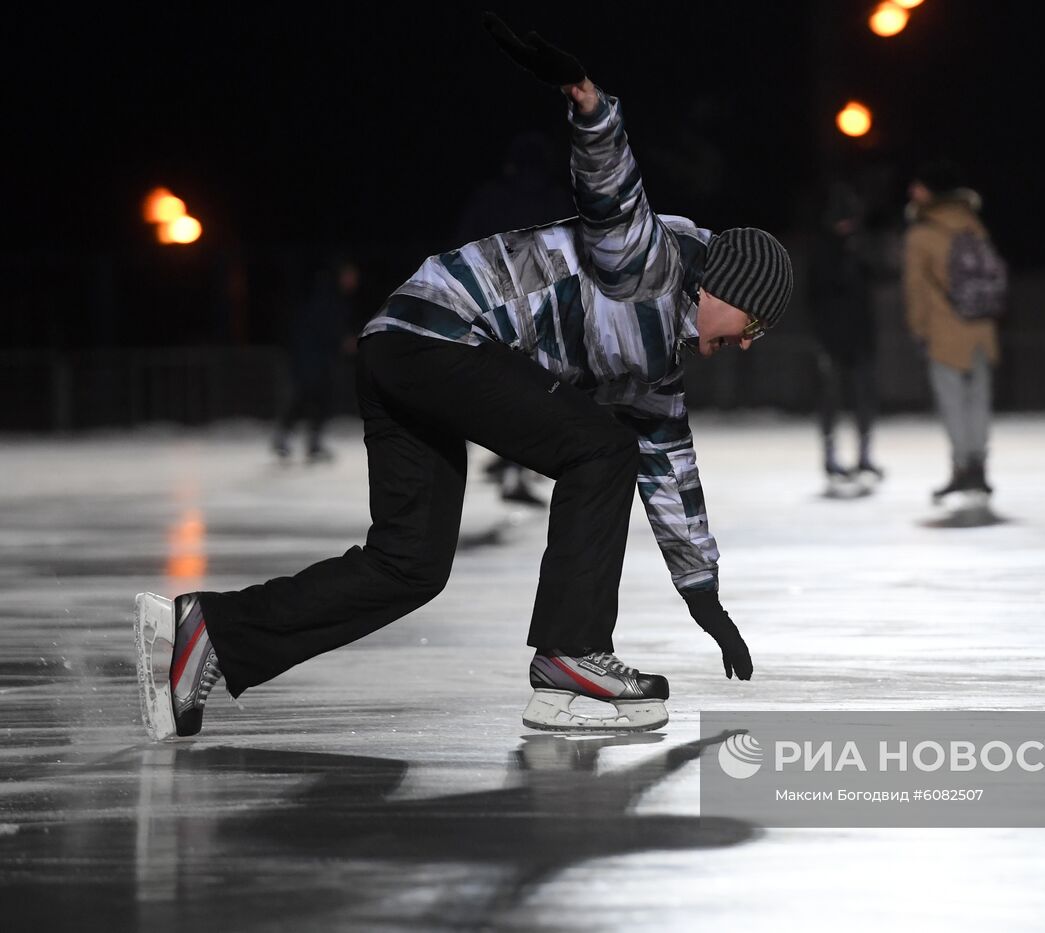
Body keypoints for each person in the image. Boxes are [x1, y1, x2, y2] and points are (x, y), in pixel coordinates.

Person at [134, 15, 793, 740]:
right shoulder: (650, 261)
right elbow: (612, 193)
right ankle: (570, 658)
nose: (744, 346)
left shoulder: (658, 361)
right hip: (441, 336)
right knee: (602, 449)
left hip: (402, 347)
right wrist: (589, 102)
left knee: (410, 563)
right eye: (751, 329)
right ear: (730, 289)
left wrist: (704, 598)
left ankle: (211, 635)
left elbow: (670, 466)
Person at [456, 131, 579, 507]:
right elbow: (574, 250)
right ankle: (513, 464)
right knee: (534, 390)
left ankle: (510, 462)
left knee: (503, 389)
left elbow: (461, 246)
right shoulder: (554, 198)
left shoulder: (491, 198)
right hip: (541, 309)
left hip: (493, 306)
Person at [903, 159, 1004, 503]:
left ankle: (962, 469)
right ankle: (980, 468)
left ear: (929, 191)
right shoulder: (973, 225)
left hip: (945, 331)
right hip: (981, 327)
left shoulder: (922, 234)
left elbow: (916, 289)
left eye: (917, 186)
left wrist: (918, 329)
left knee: (953, 403)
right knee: (978, 400)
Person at [809, 174, 881, 487]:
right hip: (832, 337)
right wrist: (821, 336)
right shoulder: (824, 249)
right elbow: (815, 295)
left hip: (860, 337)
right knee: (830, 397)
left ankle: (864, 456)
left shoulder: (860, 247)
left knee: (864, 396)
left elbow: (869, 285)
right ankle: (830, 457)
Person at [271, 258, 361, 463]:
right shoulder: (324, 297)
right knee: (304, 396)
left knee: (323, 399)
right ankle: (284, 437)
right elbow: (317, 327)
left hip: (323, 358)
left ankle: (313, 443)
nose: (353, 281)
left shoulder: (338, 299)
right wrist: (341, 340)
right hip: (309, 358)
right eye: (350, 276)